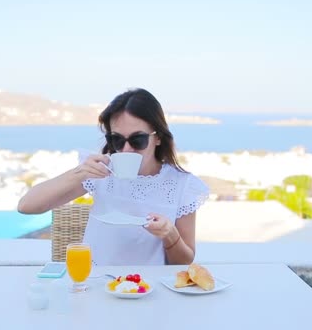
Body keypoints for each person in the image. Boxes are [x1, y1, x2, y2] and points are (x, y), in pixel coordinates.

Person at [17, 88, 209, 265]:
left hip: (147, 291)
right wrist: (79, 173)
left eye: (137, 140)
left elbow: (184, 262)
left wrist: (170, 234)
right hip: (96, 286)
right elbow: (27, 206)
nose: (126, 149)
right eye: (116, 139)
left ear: (158, 137)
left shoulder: (182, 185)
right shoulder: (101, 172)